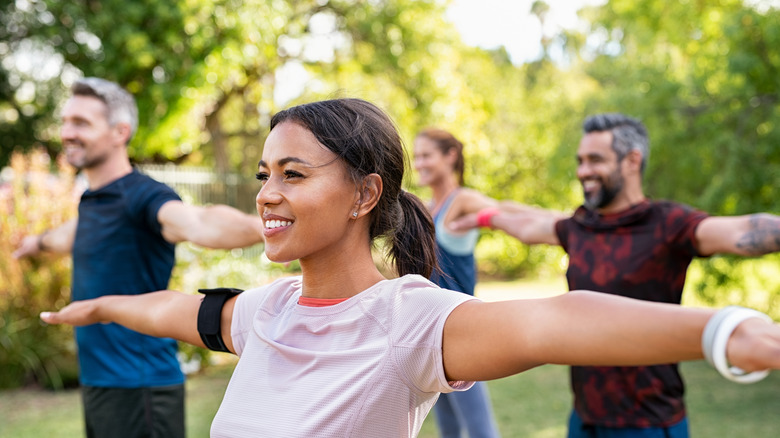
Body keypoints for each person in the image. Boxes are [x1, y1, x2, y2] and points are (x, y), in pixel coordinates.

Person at [38, 99, 780, 438]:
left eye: (293, 174)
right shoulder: (266, 313)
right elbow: (173, 309)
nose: (267, 194)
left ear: (366, 194)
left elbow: (557, 319)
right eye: (265, 174)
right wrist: (101, 306)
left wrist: (725, 330)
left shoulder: (409, 321)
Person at [449, 113, 780, 438]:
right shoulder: (579, 225)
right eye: (580, 161)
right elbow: (528, 225)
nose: (583, 171)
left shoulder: (669, 224)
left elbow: (741, 230)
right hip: (584, 418)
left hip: (648, 422)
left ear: (632, 160)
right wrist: (482, 217)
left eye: (595, 160)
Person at [13, 78, 265, 438]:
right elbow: (65, 235)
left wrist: (267, 227)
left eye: (81, 123)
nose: (67, 132)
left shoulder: (143, 197)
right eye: (66, 121)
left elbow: (199, 222)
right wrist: (34, 244)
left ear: (120, 132)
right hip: (101, 382)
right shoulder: (94, 203)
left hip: (140, 386)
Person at [413, 128, 500, 438]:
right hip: (429, 334)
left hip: (463, 335)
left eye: (426, 155)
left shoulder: (462, 200)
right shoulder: (424, 208)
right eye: (416, 156)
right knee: (448, 430)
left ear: (450, 156)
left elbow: (505, 212)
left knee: (480, 431)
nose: (418, 163)